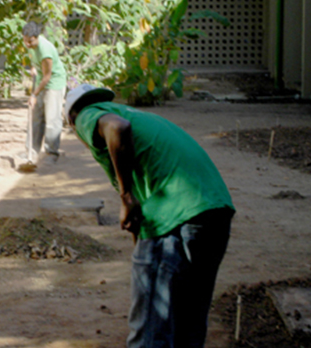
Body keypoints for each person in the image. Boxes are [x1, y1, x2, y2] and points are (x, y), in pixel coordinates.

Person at [64, 84, 236, 348]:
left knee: (150, 333)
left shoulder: (88, 115)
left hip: (174, 216)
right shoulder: (141, 118)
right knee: (188, 324)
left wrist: (125, 197)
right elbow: (138, 215)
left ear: (72, 124)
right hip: (215, 211)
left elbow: (117, 128)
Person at [22, 21, 67, 163]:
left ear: (37, 37)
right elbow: (35, 62)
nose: (27, 44)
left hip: (54, 83)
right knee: (36, 117)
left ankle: (51, 153)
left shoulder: (45, 50)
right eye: (25, 41)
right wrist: (33, 68)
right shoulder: (30, 45)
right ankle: (32, 151)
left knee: (52, 119)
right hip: (42, 80)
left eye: (30, 41)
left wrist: (34, 94)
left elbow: (48, 76)